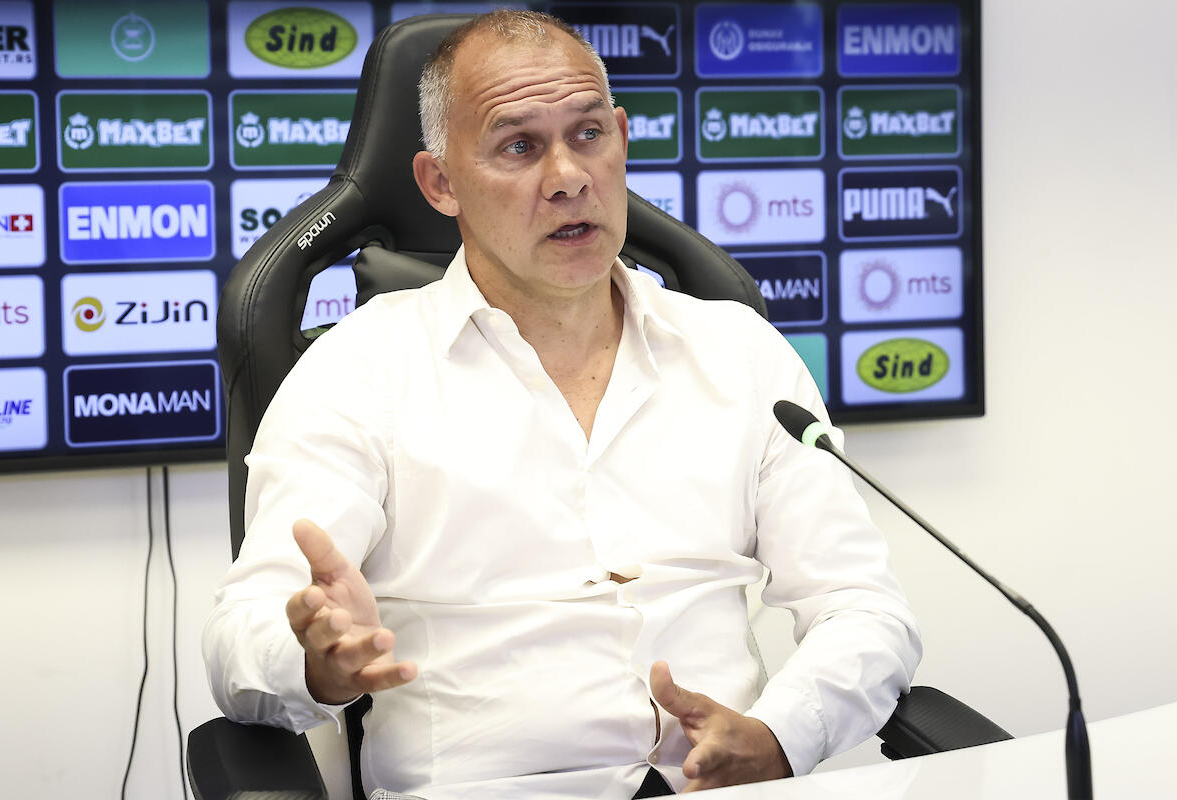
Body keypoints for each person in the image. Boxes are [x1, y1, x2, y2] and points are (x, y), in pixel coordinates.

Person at [203, 10, 921, 800]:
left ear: (621, 139)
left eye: (588, 135)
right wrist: (314, 662)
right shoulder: (360, 369)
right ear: (441, 183)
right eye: (519, 146)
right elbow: (241, 641)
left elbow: (862, 607)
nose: (569, 176)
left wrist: (782, 736)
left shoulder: (741, 353)